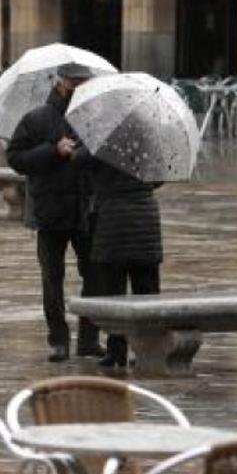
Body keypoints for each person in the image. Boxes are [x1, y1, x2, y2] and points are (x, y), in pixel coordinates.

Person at [6, 62, 101, 362]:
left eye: (83, 82)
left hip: (86, 208)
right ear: (59, 82)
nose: (78, 87)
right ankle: (58, 340)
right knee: (52, 278)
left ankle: (89, 340)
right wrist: (52, 150)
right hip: (49, 210)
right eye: (74, 82)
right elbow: (15, 158)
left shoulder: (94, 119)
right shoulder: (36, 119)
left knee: (94, 276)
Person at [77, 155, 165, 370]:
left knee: (114, 294)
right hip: (145, 221)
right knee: (147, 294)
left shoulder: (101, 146)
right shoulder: (147, 146)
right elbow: (159, 177)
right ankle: (149, 349)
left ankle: (116, 352)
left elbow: (79, 164)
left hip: (113, 222)